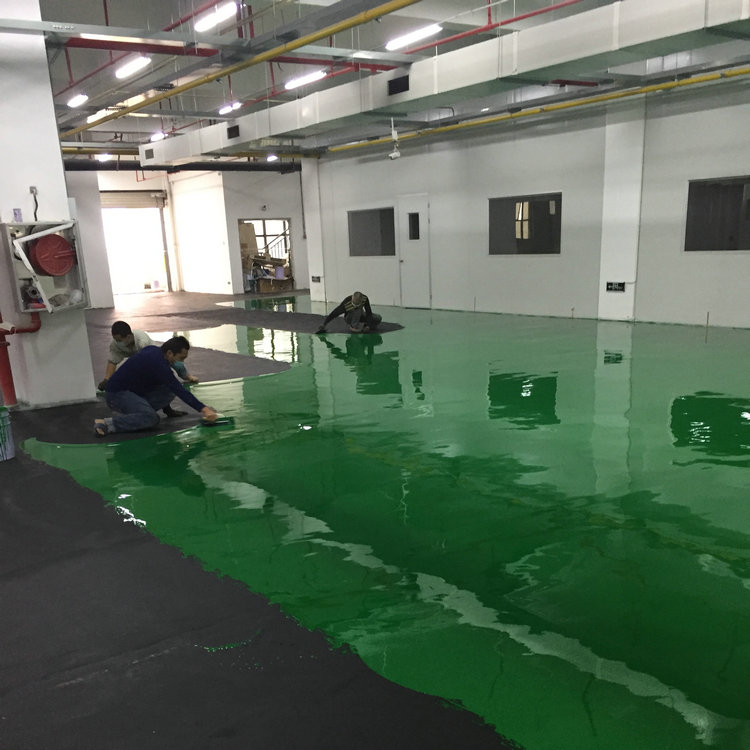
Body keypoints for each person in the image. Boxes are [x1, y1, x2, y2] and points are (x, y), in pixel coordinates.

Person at [94, 336, 217, 436]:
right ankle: (106, 423)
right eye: (181, 358)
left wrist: (168, 411)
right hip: (116, 395)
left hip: (133, 391)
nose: (182, 362)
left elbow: (169, 385)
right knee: (151, 418)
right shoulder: (159, 365)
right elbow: (180, 391)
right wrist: (205, 410)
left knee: (168, 389)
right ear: (170, 353)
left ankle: (135, 414)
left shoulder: (153, 350)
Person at [98, 320, 198, 391]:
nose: (117, 342)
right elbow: (112, 362)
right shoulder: (115, 344)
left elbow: (145, 362)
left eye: (119, 340)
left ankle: (188, 376)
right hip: (137, 359)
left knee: (177, 365)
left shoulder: (142, 340)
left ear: (128, 337)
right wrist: (107, 379)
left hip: (154, 356)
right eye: (116, 340)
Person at [316, 291, 382, 333]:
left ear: (361, 300)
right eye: (354, 304)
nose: (355, 306)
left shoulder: (365, 299)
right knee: (357, 310)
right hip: (349, 318)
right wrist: (324, 324)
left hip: (360, 314)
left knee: (378, 318)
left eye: (357, 304)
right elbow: (334, 313)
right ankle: (354, 326)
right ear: (352, 299)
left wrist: (368, 326)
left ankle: (364, 325)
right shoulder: (346, 303)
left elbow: (369, 313)